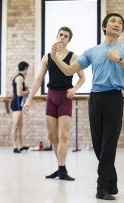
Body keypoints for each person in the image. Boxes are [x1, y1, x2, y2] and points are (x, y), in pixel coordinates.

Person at [51, 13, 124, 200]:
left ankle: (101, 188)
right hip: (96, 99)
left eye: (120, 23)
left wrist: (118, 60)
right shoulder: (93, 51)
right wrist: (54, 57)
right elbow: (70, 70)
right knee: (99, 145)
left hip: (114, 98)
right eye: (113, 21)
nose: (117, 24)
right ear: (104, 27)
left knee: (109, 144)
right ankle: (112, 183)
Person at [23, 27, 85, 181]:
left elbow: (82, 78)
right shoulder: (47, 57)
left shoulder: (73, 57)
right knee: (52, 136)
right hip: (51, 97)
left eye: (66, 36)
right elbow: (39, 79)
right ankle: (60, 167)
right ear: (56, 36)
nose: (63, 38)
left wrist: (75, 88)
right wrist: (29, 99)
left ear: (69, 40)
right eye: (61, 35)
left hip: (65, 97)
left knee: (63, 135)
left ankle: (62, 169)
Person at [10, 61, 30, 153]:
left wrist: (25, 90)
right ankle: (15, 147)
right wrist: (28, 92)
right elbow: (19, 93)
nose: (27, 71)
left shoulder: (20, 77)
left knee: (20, 126)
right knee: (16, 126)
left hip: (19, 104)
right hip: (16, 104)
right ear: (25, 68)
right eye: (27, 69)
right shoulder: (19, 78)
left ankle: (21, 146)